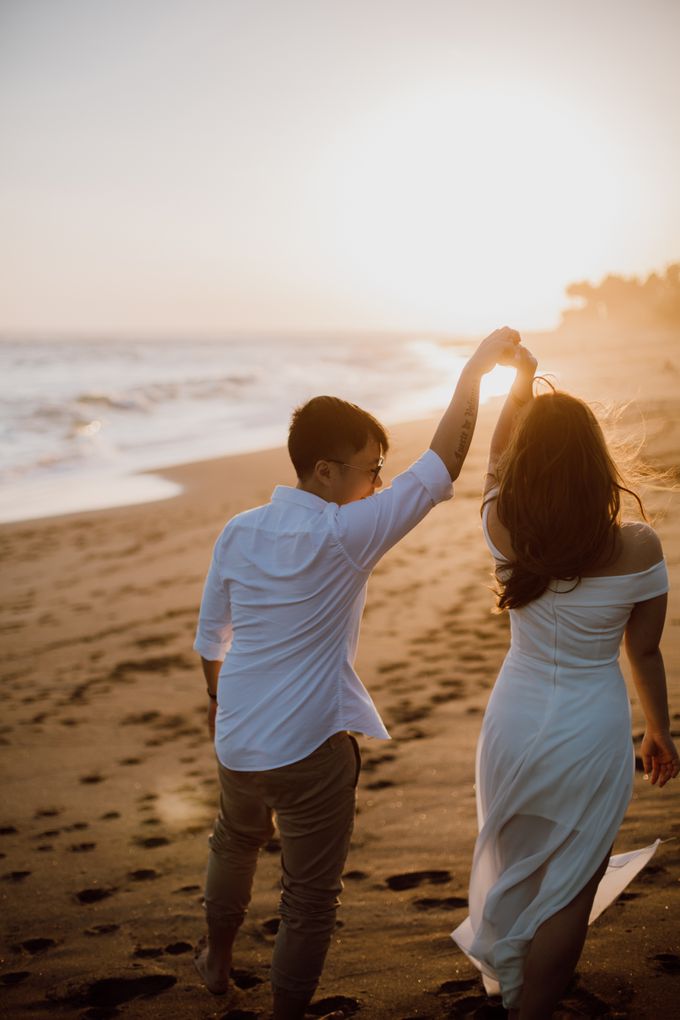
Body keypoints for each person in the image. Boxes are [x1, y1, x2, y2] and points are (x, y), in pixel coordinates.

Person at [191, 327, 522, 1019]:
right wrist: (476, 371)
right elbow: (443, 462)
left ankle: (216, 961)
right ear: (323, 473)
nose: (377, 483)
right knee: (308, 899)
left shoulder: (239, 529)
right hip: (310, 749)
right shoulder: (345, 534)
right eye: (370, 469)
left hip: (237, 740)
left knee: (235, 840)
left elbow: (210, 638)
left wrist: (226, 704)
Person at [452, 349, 680, 1019]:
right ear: (595, 460)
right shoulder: (639, 548)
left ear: (527, 460)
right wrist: (658, 730)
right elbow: (644, 652)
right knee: (569, 887)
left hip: (514, 719)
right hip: (591, 728)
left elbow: (494, 461)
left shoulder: (502, 526)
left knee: (521, 862)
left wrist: (517, 390)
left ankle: (518, 988)